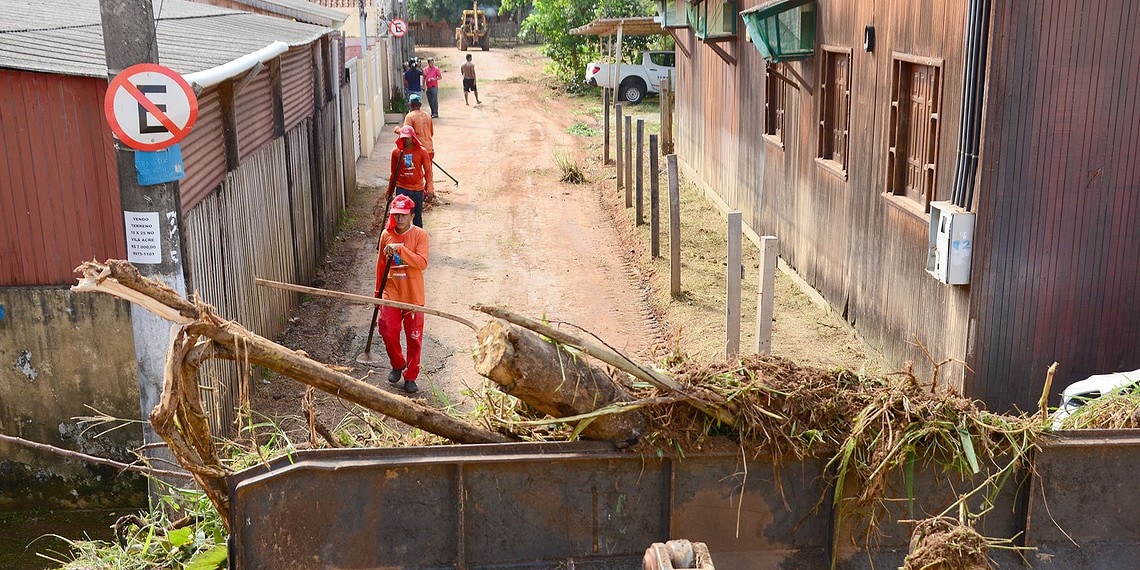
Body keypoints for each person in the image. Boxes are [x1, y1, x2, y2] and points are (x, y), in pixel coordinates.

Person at [376, 194, 429, 394]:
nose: (399, 219)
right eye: (396, 215)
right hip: (391, 292)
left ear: (412, 215)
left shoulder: (420, 235)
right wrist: (377, 293)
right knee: (387, 330)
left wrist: (400, 249)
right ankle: (398, 363)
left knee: (414, 338)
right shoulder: (385, 235)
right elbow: (381, 265)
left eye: (403, 215)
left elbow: (422, 263)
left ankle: (411, 376)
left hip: (413, 295)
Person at [387, 125, 432, 227]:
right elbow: (393, 174)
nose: (406, 140)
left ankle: (418, 239)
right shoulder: (396, 152)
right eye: (404, 138)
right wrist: (389, 191)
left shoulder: (422, 152)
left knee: (417, 218)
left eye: (408, 138)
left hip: (417, 190)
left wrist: (430, 189)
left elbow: (428, 172)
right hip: (402, 188)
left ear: (413, 137)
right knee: (399, 216)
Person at [398, 94, 435, 201]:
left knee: (412, 171)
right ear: (420, 104)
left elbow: (406, 133)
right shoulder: (428, 115)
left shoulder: (410, 116)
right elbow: (431, 133)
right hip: (429, 149)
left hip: (416, 150)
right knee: (428, 171)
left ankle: (417, 193)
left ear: (410, 104)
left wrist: (397, 130)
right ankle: (429, 191)